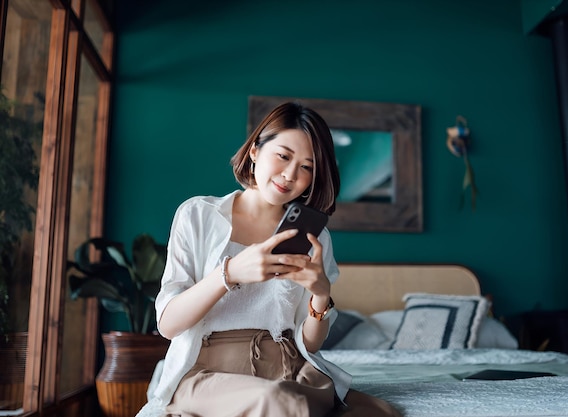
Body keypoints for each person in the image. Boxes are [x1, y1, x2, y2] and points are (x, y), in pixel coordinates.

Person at [136, 102, 402, 417]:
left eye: (307, 167)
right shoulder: (199, 215)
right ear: (255, 151)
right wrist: (230, 273)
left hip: (289, 369)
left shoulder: (315, 238)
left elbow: (310, 345)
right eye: (283, 156)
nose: (291, 175)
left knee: (377, 412)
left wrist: (320, 295)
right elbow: (168, 325)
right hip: (209, 373)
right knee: (279, 403)